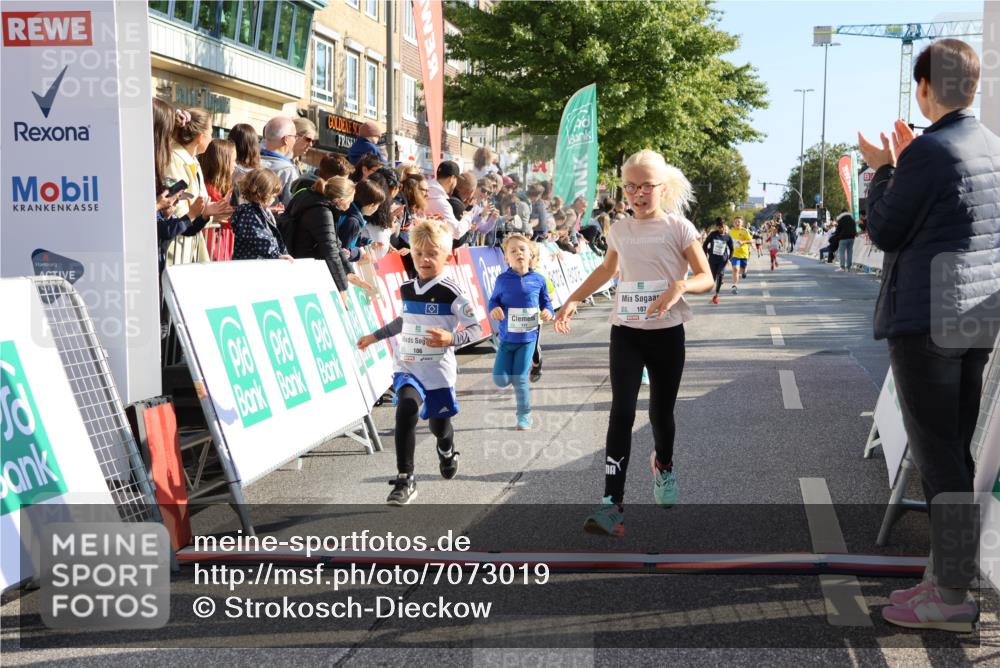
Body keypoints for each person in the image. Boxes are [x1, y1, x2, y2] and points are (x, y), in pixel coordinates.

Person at [858, 38, 1000, 633]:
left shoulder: (929, 152)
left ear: (923, 88)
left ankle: (950, 595)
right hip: (974, 315)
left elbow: (884, 230)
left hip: (927, 317)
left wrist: (883, 167)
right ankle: (945, 577)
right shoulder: (991, 146)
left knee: (939, 457)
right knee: (954, 453)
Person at [554, 149, 714, 536]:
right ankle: (612, 503)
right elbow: (607, 269)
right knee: (622, 411)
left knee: (661, 414)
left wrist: (681, 285)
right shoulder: (620, 230)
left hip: (667, 333)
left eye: (646, 186)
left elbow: (706, 276)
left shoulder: (679, 228)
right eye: (630, 187)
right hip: (626, 332)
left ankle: (664, 465)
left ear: (662, 187)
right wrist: (572, 299)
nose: (638, 194)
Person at [356, 220, 482, 505]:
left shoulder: (453, 292)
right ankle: (405, 478)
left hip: (438, 372)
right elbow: (405, 321)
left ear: (446, 257)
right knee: (407, 409)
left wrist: (451, 338)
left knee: (440, 427)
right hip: (408, 367)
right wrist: (375, 336)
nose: (424, 260)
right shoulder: (407, 288)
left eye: (432, 254)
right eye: (418, 253)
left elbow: (475, 327)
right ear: (411, 253)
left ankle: (447, 449)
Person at [488, 234, 554, 430]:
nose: (518, 253)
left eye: (522, 249)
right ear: (506, 257)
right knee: (500, 380)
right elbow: (494, 300)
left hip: (528, 339)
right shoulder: (502, 280)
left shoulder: (539, 280)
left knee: (520, 379)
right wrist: (494, 309)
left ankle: (524, 415)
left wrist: (548, 312)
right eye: (513, 251)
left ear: (530, 253)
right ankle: (512, 380)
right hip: (507, 339)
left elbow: (547, 303)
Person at [280, 175, 359, 294]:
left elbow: (335, 243)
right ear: (339, 200)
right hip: (302, 265)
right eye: (349, 202)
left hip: (297, 258)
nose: (349, 207)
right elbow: (331, 250)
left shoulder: (311, 197)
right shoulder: (322, 211)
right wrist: (342, 288)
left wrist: (349, 271)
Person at [231, 169, 293, 261]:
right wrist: (276, 254)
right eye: (273, 196)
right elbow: (260, 238)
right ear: (264, 194)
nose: (273, 200)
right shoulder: (249, 213)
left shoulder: (258, 211)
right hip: (249, 265)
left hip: (257, 262)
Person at [339, 179, 385, 263]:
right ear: (371, 205)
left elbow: (354, 238)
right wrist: (360, 253)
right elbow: (343, 253)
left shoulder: (350, 212)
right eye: (378, 205)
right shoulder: (353, 222)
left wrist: (369, 243)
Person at [425, 160, 470, 244]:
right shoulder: (442, 203)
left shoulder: (423, 190)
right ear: (452, 178)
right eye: (456, 179)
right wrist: (467, 218)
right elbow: (457, 232)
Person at [259, 116, 300, 207]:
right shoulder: (288, 171)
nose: (295, 140)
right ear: (286, 139)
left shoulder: (250, 162)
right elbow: (291, 207)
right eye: (295, 136)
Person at [702, 218, 733, 304]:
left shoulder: (727, 237)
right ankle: (720, 279)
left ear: (724, 226)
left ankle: (716, 295)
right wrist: (706, 254)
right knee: (713, 278)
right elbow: (705, 244)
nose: (720, 229)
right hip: (712, 259)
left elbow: (732, 248)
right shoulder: (713, 234)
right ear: (716, 227)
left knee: (719, 275)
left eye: (722, 227)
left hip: (722, 260)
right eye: (718, 227)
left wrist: (729, 258)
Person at [728, 216, 753, 293]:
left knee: (743, 269)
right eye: (736, 222)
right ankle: (734, 286)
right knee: (735, 269)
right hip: (734, 254)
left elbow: (751, 241)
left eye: (739, 222)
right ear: (733, 223)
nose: (737, 223)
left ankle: (744, 272)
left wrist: (743, 242)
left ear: (742, 223)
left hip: (744, 254)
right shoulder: (730, 232)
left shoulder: (745, 231)